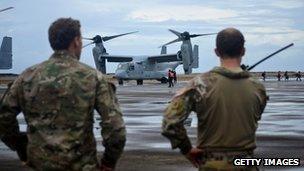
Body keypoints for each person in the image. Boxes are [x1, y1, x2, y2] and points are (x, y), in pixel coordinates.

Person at [0, 18, 126, 171]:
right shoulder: (93, 78)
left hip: (38, 165)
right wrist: (108, 163)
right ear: (76, 41)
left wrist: (22, 147)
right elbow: (116, 129)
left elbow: (4, 118)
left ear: (52, 42)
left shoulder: (27, 77)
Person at [162, 28, 268, 171]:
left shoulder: (200, 84)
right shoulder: (257, 87)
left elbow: (170, 122)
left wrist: (187, 149)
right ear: (243, 51)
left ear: (216, 51)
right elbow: (257, 114)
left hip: (212, 164)